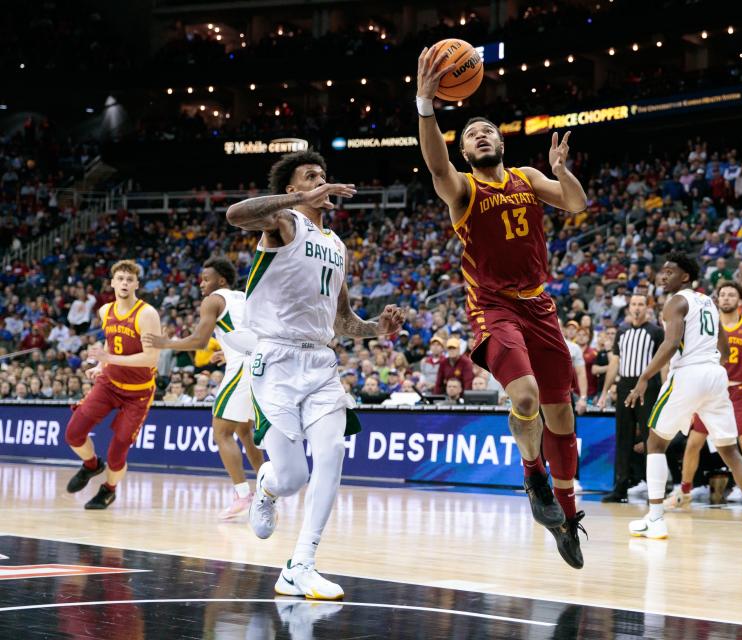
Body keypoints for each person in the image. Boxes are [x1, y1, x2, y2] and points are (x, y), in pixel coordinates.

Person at [417, 45, 589, 568]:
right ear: (464, 152)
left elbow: (577, 204)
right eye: (471, 134)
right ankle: (532, 472)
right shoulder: (461, 188)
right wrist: (426, 104)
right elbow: (434, 161)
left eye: (488, 129)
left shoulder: (530, 178)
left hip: (541, 306)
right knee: (528, 394)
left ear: (501, 140)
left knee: (563, 417)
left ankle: (565, 515)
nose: (482, 135)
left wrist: (562, 169)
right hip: (493, 307)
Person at [225, 150, 404, 600]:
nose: (322, 181)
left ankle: (300, 564)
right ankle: (266, 487)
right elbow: (234, 214)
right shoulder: (284, 222)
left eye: (323, 175)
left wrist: (375, 329)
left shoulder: (338, 247)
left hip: (321, 363)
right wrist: (304, 195)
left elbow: (342, 321)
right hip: (277, 362)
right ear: (292, 190)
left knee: (333, 453)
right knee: (292, 477)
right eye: (310, 177)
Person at [624, 254, 742, 542]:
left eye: (670, 272)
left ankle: (655, 519)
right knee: (729, 450)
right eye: (662, 270)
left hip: (689, 374)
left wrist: (643, 379)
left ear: (685, 277)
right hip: (715, 375)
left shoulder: (676, 302)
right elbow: (723, 341)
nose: (663, 275)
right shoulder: (708, 301)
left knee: (655, 442)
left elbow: (670, 344)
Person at [143, 257, 265, 520]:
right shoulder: (242, 297)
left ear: (221, 280)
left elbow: (199, 341)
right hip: (260, 362)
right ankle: (267, 494)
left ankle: (243, 494)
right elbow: (252, 332)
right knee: (245, 430)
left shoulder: (213, 300)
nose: (201, 283)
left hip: (243, 367)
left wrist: (164, 343)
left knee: (221, 432)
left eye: (206, 278)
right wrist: (228, 349)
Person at [64, 260, 162, 509]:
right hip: (109, 384)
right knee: (73, 434)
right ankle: (91, 465)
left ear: (137, 284)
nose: (125, 283)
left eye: (130, 280)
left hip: (138, 393)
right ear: (112, 283)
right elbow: (112, 341)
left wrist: (109, 359)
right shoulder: (105, 310)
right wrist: (100, 367)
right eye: (120, 278)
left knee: (117, 452)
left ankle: (109, 490)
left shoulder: (147, 314)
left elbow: (152, 357)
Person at [667, 281, 742, 510]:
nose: (725, 298)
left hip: (740, 391)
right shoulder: (709, 326)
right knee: (693, 442)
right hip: (712, 390)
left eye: (731, 295)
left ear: (740, 300)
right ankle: (684, 492)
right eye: (722, 294)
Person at [597, 294, 663, 503]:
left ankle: (655, 487)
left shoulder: (656, 332)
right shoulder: (622, 332)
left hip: (648, 387)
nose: (636, 308)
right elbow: (615, 362)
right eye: (633, 304)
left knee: (649, 438)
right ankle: (620, 488)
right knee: (623, 438)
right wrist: (605, 391)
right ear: (628, 308)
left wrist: (663, 392)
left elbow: (663, 364)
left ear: (647, 308)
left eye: (640, 304)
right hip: (625, 384)